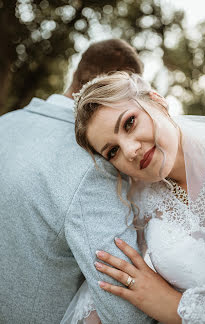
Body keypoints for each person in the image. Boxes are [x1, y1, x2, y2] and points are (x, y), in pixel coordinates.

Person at [0, 39, 158, 324]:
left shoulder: (5, 123)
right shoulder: (93, 166)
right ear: (116, 86)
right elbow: (126, 313)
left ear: (77, 72)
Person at [72, 71, 205, 324]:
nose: (130, 151)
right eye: (113, 151)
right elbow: (106, 288)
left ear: (157, 100)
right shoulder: (140, 202)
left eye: (129, 123)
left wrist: (173, 308)